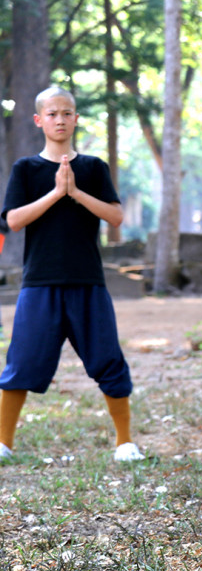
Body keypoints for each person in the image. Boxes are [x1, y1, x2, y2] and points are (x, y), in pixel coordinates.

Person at [0, 87, 144, 463]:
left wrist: (76, 192)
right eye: (52, 114)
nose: (60, 120)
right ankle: (4, 444)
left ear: (76, 118)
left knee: (107, 359)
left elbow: (116, 216)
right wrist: (56, 193)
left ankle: (125, 443)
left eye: (67, 113)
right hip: (39, 283)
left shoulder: (94, 168)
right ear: (39, 120)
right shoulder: (26, 169)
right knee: (22, 362)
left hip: (88, 282)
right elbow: (13, 220)